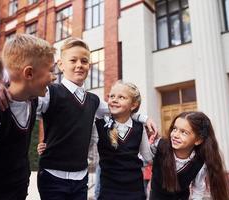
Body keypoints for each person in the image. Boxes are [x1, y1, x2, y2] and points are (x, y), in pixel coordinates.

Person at [36, 37, 157, 200]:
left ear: (89, 66)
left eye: (84, 61)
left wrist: (144, 118)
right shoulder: (50, 92)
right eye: (73, 60)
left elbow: (118, 110)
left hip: (80, 178)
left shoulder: (93, 100)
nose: (79, 64)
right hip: (52, 176)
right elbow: (27, 105)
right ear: (61, 64)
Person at [0, 34, 56, 200]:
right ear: (29, 73)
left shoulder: (33, 101)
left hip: (20, 188)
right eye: (50, 71)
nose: (54, 77)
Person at [150, 111, 229, 200]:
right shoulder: (159, 146)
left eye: (184, 132)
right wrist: (145, 119)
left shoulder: (199, 163)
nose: (175, 135)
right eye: (174, 129)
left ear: (198, 140)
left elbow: (198, 189)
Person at [94, 81, 153, 200]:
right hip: (109, 191)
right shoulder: (99, 125)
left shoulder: (139, 127)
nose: (114, 100)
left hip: (135, 190)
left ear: (133, 105)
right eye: (112, 96)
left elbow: (148, 158)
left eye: (121, 97)